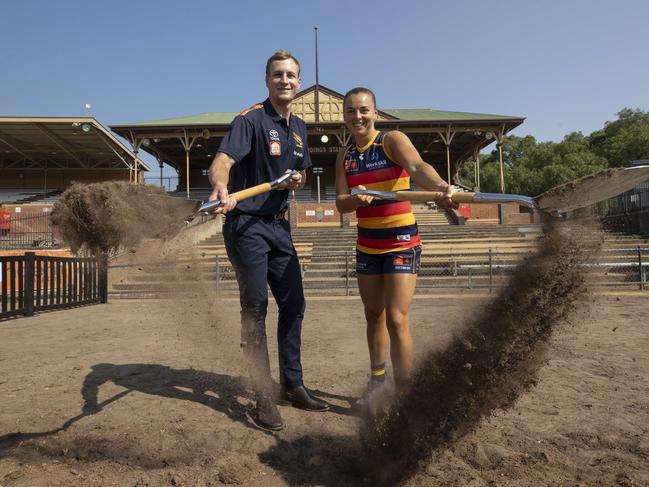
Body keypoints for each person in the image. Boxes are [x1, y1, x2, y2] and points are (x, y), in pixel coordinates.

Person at [208, 51, 329, 431]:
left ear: (298, 80)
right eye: (278, 75)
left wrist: (298, 181)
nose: (286, 80)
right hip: (246, 225)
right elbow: (223, 159)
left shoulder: (300, 128)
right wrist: (220, 187)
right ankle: (262, 395)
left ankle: (292, 384)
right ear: (267, 80)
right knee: (256, 307)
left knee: (294, 303)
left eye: (291, 75)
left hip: (280, 227)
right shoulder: (250, 120)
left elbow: (304, 174)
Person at [335, 87, 456, 403]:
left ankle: (405, 392)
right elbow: (341, 204)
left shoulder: (391, 141)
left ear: (375, 112)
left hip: (401, 241)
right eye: (351, 111)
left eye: (363, 110)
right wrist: (354, 199)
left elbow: (418, 169)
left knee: (396, 317)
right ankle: (378, 381)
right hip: (367, 245)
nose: (357, 116)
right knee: (373, 314)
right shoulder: (345, 157)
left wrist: (442, 188)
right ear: (344, 116)